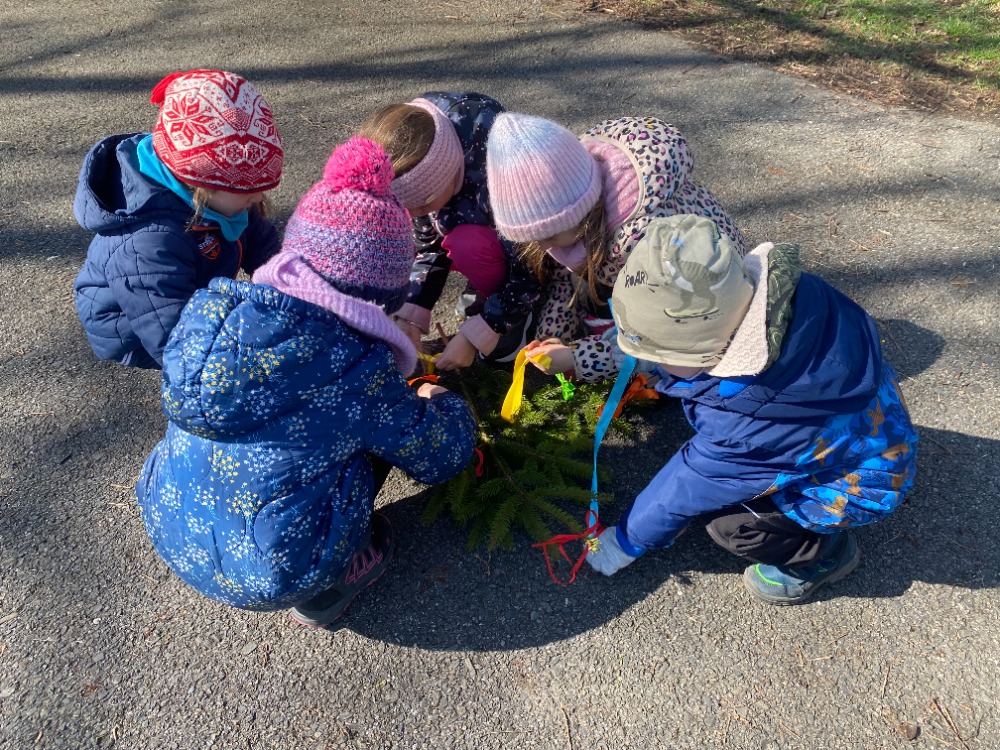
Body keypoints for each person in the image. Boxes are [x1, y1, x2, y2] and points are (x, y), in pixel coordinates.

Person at [135, 136, 477, 627]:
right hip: (270, 571)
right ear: (378, 295)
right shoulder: (354, 367)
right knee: (367, 440)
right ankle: (330, 583)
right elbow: (441, 455)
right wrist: (441, 404)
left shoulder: (213, 313)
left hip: (167, 519)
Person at [585, 215, 918, 605]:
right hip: (874, 427)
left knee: (731, 525)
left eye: (658, 354)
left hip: (864, 483)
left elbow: (685, 486)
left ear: (708, 350)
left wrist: (625, 541)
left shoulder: (747, 426)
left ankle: (821, 557)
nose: (645, 360)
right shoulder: (788, 301)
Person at [486, 112, 746, 383]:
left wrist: (579, 357)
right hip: (647, 280)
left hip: (704, 311)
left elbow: (666, 337)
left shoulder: (643, 242)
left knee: (671, 369)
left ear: (579, 213)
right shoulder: (579, 216)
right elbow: (566, 278)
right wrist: (556, 334)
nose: (541, 245)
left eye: (548, 235)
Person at [73, 69, 284, 369]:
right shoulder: (147, 242)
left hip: (190, 287)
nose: (258, 199)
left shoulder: (225, 199)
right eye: (250, 191)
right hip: (132, 330)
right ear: (201, 185)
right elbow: (173, 334)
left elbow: (259, 241)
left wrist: (288, 282)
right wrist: (239, 366)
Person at [357, 92, 542, 370]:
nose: (415, 215)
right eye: (406, 208)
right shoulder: (419, 165)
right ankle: (489, 287)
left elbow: (529, 261)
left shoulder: (500, 173)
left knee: (468, 245)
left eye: (423, 205)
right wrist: (410, 313)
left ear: (447, 172)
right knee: (460, 241)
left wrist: (482, 331)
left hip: (532, 248)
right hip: (486, 229)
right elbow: (429, 247)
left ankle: (520, 315)